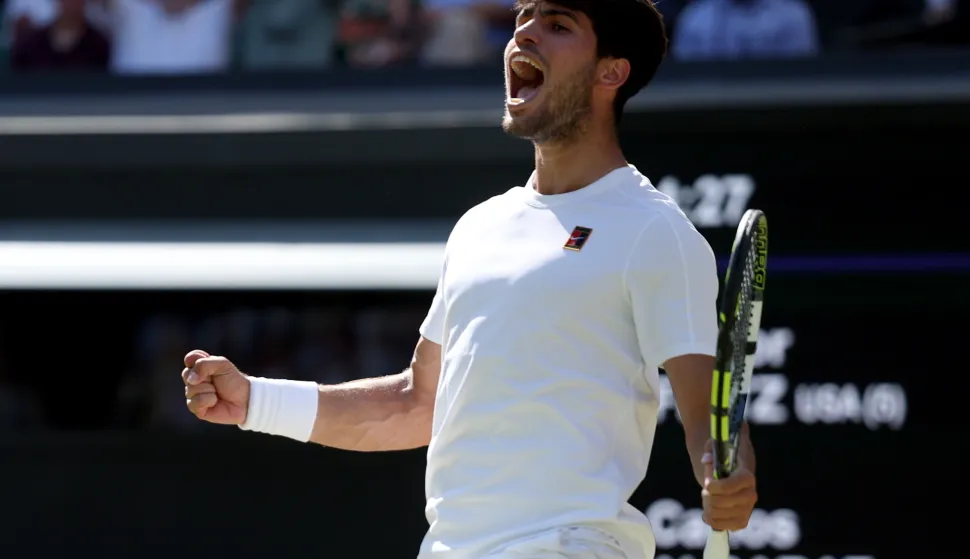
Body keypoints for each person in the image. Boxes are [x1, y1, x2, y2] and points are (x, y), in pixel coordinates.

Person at [181, 1, 759, 558]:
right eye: (522, 18)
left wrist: (729, 477)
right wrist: (256, 401)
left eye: (557, 24)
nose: (525, 33)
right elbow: (418, 402)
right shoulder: (480, 227)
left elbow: (710, 416)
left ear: (612, 71)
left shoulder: (655, 232)